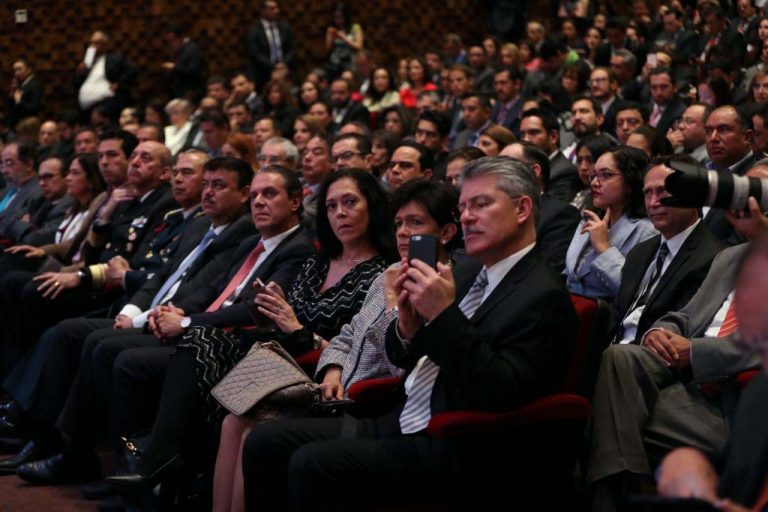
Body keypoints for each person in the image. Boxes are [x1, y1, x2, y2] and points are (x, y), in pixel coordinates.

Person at [237, 157, 577, 511]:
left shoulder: (544, 295)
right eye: (462, 207)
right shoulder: (468, 274)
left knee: (312, 463)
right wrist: (407, 329)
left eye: (481, 204)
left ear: (522, 209)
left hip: (456, 442)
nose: (467, 217)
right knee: (266, 440)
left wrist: (442, 314)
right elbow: (405, 357)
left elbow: (499, 390)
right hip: (400, 418)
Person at [108, 169, 394, 493]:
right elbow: (273, 312)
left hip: (310, 365)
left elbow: (357, 349)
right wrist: (270, 316)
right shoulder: (320, 260)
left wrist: (295, 327)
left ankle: (165, 462)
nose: (339, 213)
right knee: (196, 343)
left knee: (196, 342)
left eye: (350, 202)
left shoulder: (381, 273)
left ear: (372, 207)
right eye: (330, 206)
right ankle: (167, 464)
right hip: (276, 350)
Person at [213, 179, 460, 512]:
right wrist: (332, 369)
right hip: (334, 389)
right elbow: (347, 334)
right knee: (234, 420)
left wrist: (392, 305)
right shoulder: (388, 273)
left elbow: (402, 363)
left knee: (256, 435)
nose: (403, 233)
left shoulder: (444, 287)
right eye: (399, 223)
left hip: (368, 401)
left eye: (415, 224)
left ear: (445, 232)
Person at [656, 233, 768, 511]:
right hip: (680, 371)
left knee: (617, 410)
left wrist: (695, 351)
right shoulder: (731, 257)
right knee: (619, 363)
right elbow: (687, 315)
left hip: (723, 391)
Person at [610, 155, 726, 346]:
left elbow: (679, 333)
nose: (653, 202)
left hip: (653, 361)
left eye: (663, 191)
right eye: (648, 193)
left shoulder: (713, 258)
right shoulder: (640, 252)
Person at [563, 146, 657, 300]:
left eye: (605, 175)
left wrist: (603, 249)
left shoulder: (647, 231)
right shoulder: (589, 219)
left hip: (606, 318)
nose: (594, 182)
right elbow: (570, 275)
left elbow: (634, 294)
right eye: (594, 175)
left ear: (630, 182)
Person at [246, 0, 295, 88]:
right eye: (272, 9)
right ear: (263, 11)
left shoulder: (284, 27)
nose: (277, 11)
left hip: (284, 70)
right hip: (263, 72)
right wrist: (273, 66)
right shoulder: (254, 30)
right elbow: (255, 53)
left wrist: (283, 63)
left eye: (277, 8)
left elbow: (291, 48)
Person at [571, 134, 613, 212]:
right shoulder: (571, 188)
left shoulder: (605, 200)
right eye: (579, 160)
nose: (583, 167)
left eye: (590, 160)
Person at [325, 3, 364, 79]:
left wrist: (343, 38)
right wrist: (330, 37)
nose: (338, 20)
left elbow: (359, 47)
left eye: (340, 17)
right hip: (335, 63)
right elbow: (328, 49)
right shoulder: (333, 29)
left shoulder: (355, 27)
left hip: (351, 63)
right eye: (336, 17)